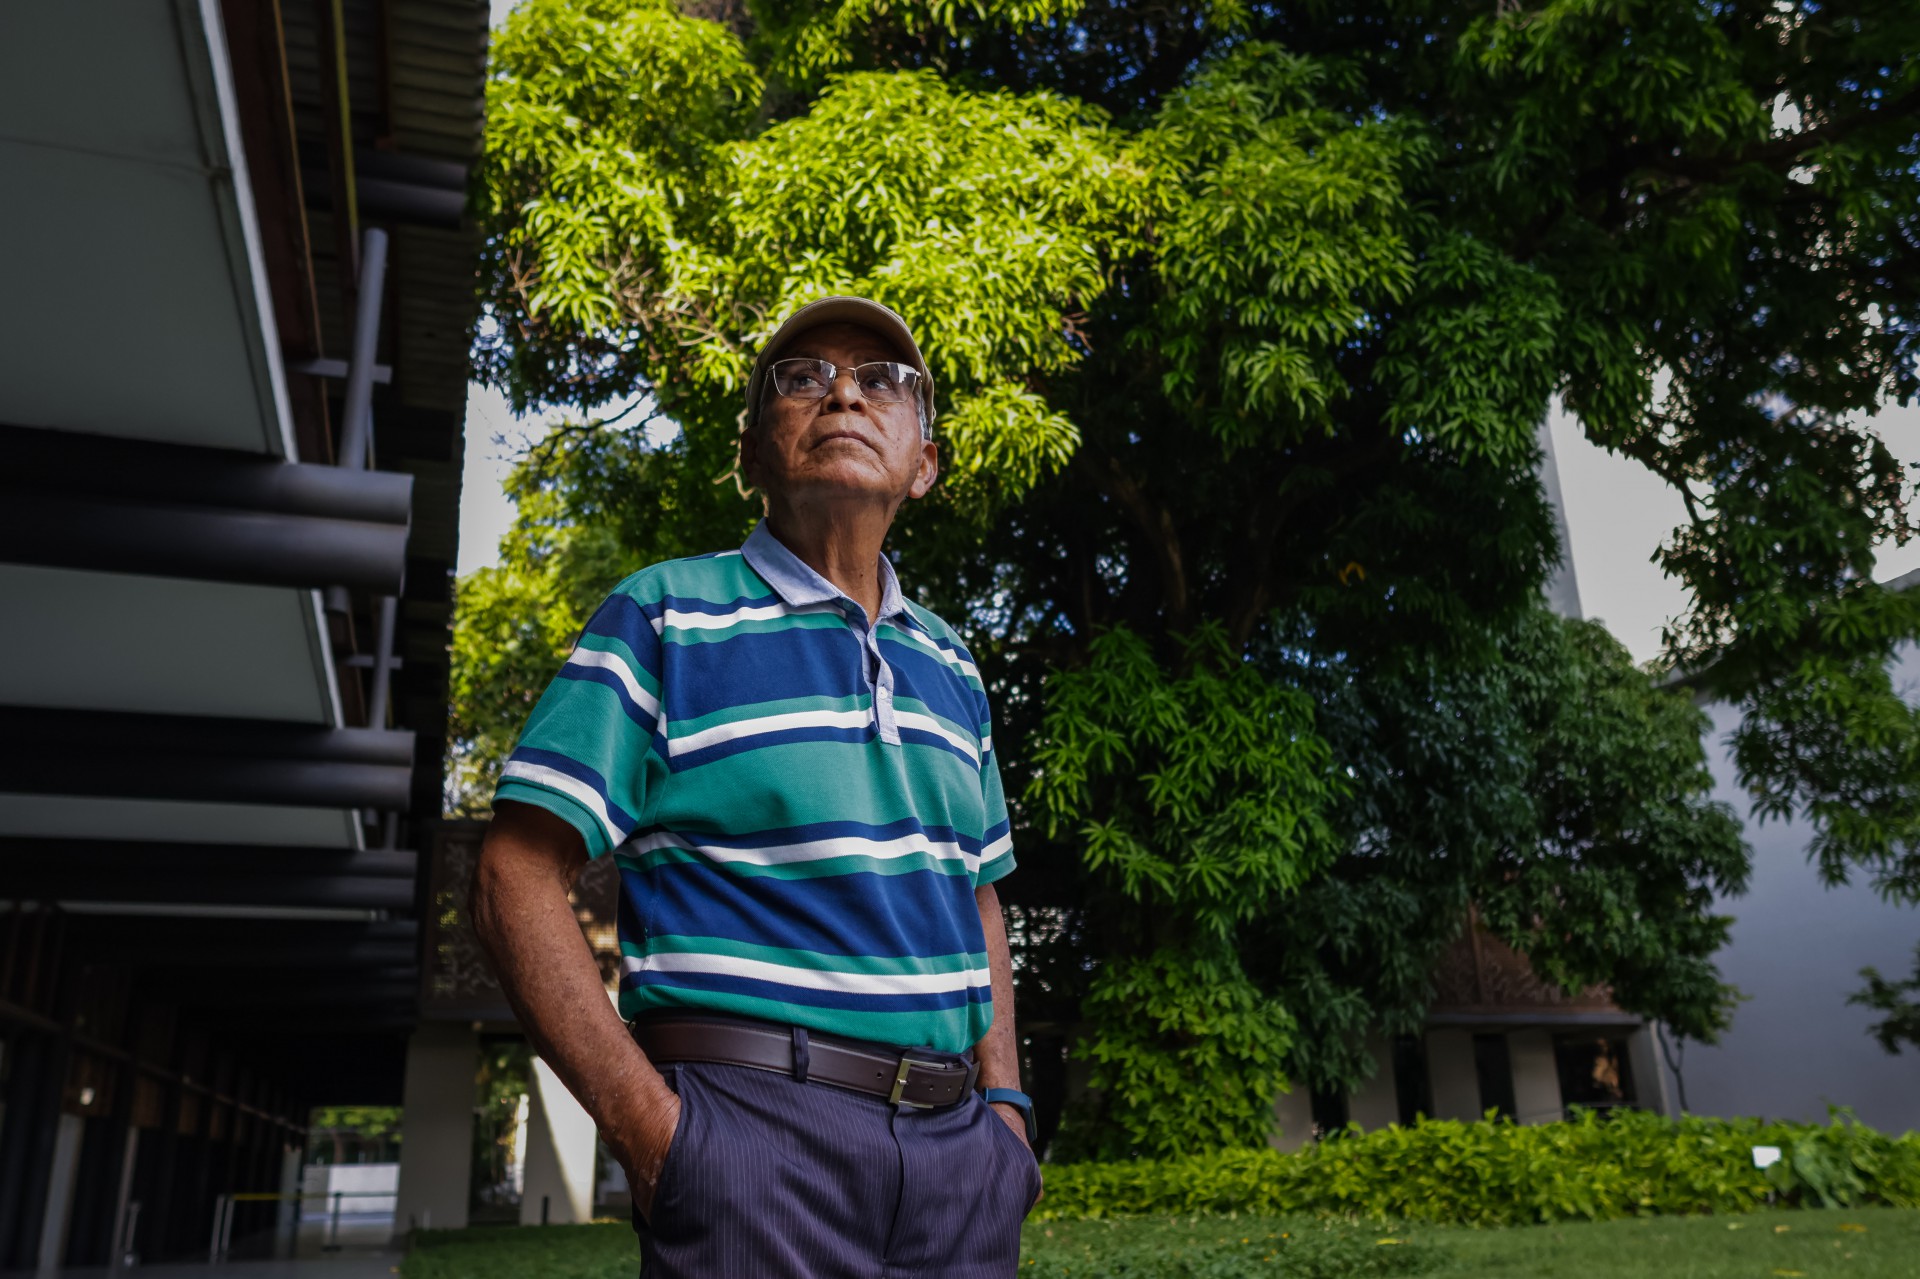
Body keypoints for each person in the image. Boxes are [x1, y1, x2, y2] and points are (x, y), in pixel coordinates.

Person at [472, 296, 1041, 1278]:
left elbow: (977, 894)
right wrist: (653, 1129)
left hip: (961, 1163)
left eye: (882, 380)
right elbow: (512, 874)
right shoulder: (663, 615)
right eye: (803, 375)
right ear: (751, 455)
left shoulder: (953, 663)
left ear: (924, 463)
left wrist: (1009, 1116)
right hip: (749, 1136)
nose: (845, 394)